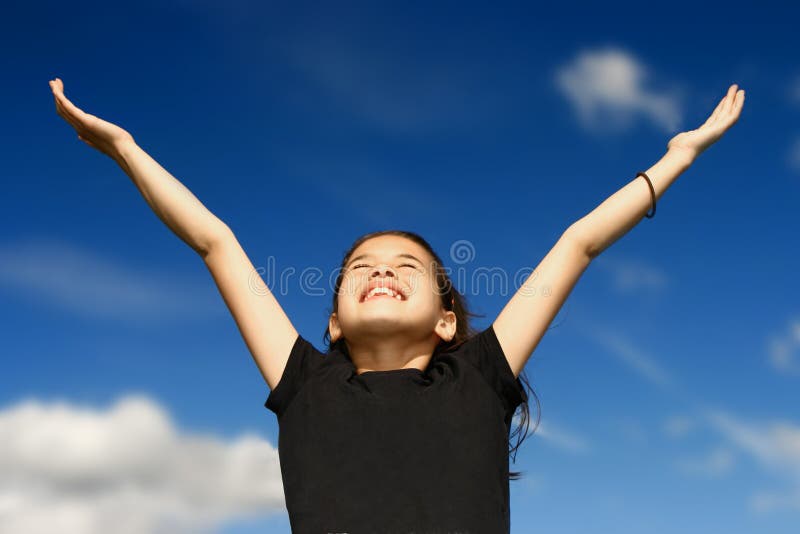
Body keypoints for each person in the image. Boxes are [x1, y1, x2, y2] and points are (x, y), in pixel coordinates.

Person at [49, 77, 745, 533]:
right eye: (362, 267)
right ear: (332, 321)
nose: (381, 271)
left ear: (447, 319)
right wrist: (125, 150)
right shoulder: (306, 386)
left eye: (405, 267)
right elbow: (215, 242)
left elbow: (578, 244)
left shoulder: (477, 375)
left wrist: (677, 158)